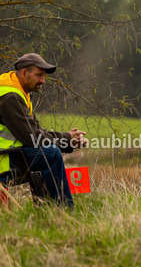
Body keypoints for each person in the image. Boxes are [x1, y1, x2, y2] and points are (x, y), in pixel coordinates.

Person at [0, 53, 86, 207]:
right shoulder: (11, 97)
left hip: (10, 154)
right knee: (50, 155)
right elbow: (33, 138)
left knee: (48, 152)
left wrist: (67, 139)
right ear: (24, 73)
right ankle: (62, 211)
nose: (43, 81)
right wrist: (67, 139)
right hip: (4, 160)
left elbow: (36, 131)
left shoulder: (18, 91)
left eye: (44, 76)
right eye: (39, 75)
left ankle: (47, 210)